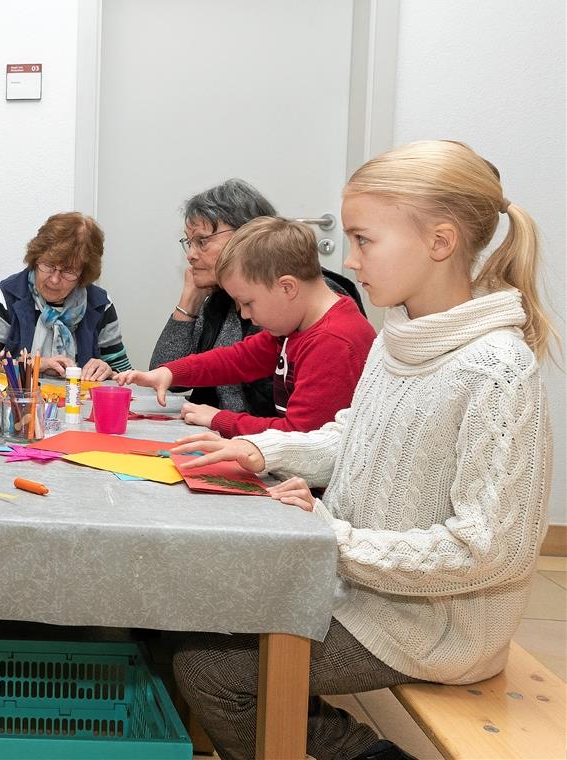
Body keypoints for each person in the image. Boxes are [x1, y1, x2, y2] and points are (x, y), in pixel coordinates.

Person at [169, 140, 554, 760]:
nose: (348, 258)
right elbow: (352, 436)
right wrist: (264, 454)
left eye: (363, 239)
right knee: (199, 614)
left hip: (431, 623)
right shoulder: (398, 338)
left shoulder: (495, 369)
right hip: (364, 582)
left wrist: (334, 538)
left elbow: (487, 550)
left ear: (440, 241)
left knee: (212, 671)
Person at [116, 217, 375, 436]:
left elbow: (301, 437)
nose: (245, 314)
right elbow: (238, 359)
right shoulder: (294, 325)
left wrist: (219, 419)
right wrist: (171, 373)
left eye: (247, 302)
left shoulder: (334, 341)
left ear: (287, 288)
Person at [150, 179, 365, 416]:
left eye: (202, 241)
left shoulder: (307, 312)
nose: (191, 255)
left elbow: (302, 435)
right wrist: (189, 301)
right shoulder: (221, 299)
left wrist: (220, 421)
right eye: (189, 243)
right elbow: (177, 374)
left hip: (266, 441)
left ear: (247, 236)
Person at [0, 211, 132, 380]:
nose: (54, 280)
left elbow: (125, 374)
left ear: (84, 274)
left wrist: (109, 371)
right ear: (36, 258)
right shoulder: (7, 296)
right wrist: (36, 365)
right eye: (49, 265)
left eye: (68, 271)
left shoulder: (99, 304)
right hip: (19, 405)